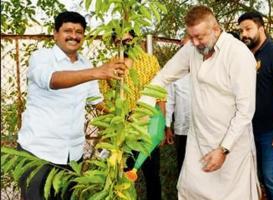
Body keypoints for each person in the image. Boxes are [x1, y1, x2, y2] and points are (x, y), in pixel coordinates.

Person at [139, 5, 259, 199]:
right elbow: (162, 78)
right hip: (198, 142)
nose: (194, 43)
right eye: (191, 37)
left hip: (231, 146)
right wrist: (142, 107)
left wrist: (223, 149)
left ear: (216, 29)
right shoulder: (192, 49)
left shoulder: (238, 54)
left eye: (200, 37)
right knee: (190, 192)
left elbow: (245, 111)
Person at [17, 11, 126, 200]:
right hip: (38, 153)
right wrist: (97, 72)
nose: (74, 36)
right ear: (55, 33)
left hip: (72, 157)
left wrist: (121, 117)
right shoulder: (41, 57)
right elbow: (51, 80)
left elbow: (95, 100)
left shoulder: (86, 63)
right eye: (68, 30)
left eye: (79, 32)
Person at [238, 12, 273, 200]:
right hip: (254, 128)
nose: (244, 34)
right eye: (241, 31)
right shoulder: (247, 55)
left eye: (248, 29)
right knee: (263, 179)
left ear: (261, 28)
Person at [99, 31, 163, 200]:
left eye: (128, 40)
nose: (125, 44)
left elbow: (161, 95)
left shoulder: (150, 61)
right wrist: (118, 118)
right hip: (123, 131)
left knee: (152, 175)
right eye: (120, 41)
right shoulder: (109, 66)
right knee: (124, 176)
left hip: (148, 128)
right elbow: (104, 99)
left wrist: (162, 127)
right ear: (114, 43)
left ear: (135, 40)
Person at [165, 73, 191, 175]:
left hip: (203, 128)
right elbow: (169, 102)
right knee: (183, 163)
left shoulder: (208, 71)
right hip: (182, 129)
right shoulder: (177, 74)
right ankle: (182, 190)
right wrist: (167, 127)